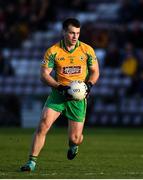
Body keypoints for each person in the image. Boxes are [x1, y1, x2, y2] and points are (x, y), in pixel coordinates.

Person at [20, 18, 99, 171]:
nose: (75, 36)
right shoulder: (53, 51)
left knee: (75, 138)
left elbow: (95, 71)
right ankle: (31, 162)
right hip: (59, 94)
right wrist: (59, 87)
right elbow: (44, 74)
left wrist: (89, 85)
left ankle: (74, 146)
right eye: (71, 33)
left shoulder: (87, 50)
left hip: (78, 98)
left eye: (77, 33)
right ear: (63, 32)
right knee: (43, 125)